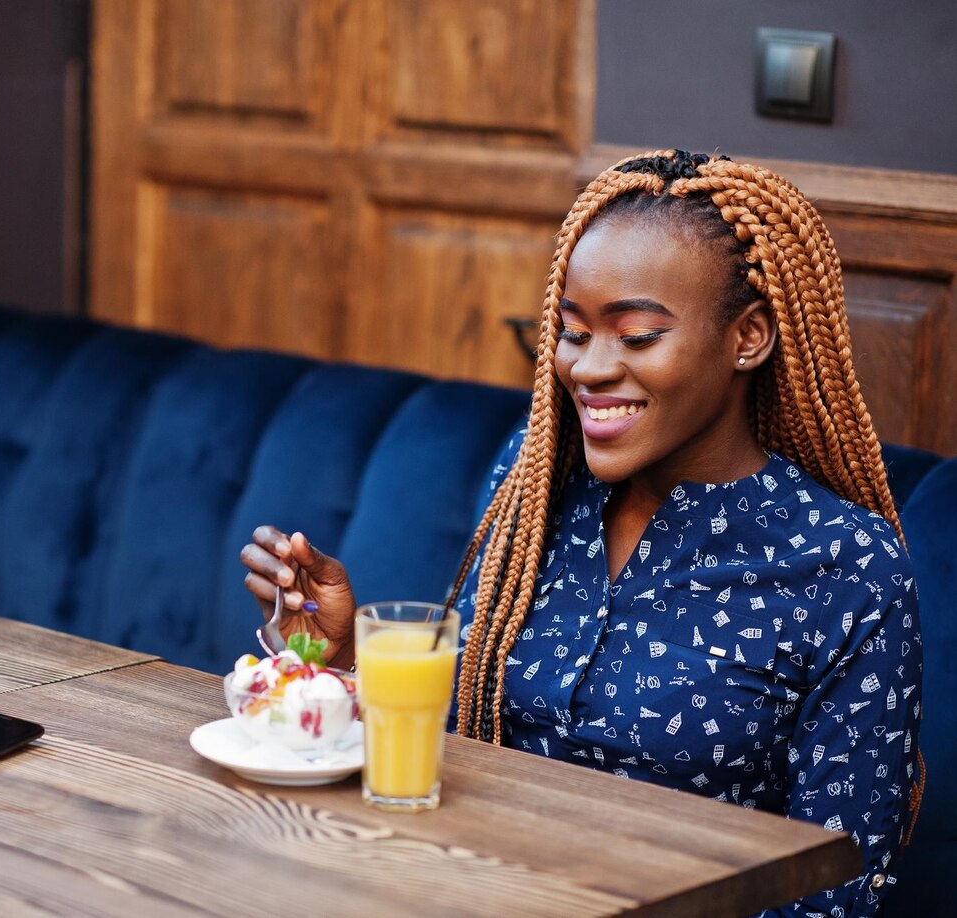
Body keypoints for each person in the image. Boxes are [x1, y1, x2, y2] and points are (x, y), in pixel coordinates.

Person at [239, 150, 922, 917]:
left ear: (749, 337)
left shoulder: (843, 566)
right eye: (570, 332)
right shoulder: (531, 494)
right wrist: (337, 661)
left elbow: (834, 890)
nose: (589, 368)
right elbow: (458, 752)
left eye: (636, 338)